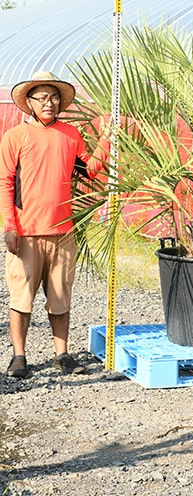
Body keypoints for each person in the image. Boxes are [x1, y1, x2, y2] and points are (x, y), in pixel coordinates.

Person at [0, 70, 110, 378]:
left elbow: (89, 170)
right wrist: (10, 226)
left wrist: (107, 140)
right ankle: (19, 356)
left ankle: (62, 354)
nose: (49, 103)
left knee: (60, 297)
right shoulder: (15, 137)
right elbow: (5, 182)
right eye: (43, 98)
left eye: (54, 97)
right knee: (22, 298)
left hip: (63, 231)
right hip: (26, 233)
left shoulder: (70, 135)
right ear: (30, 102)